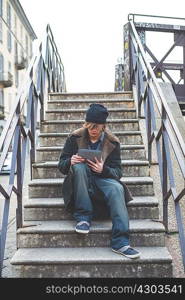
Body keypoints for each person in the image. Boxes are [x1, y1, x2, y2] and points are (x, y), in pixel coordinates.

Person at [58, 103, 140, 259]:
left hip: (101, 180)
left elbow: (118, 172)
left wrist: (103, 170)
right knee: (80, 167)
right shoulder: (74, 137)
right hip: (79, 182)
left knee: (117, 188)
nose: (93, 131)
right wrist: (70, 161)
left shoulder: (112, 142)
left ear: (104, 126)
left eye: (97, 127)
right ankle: (83, 218)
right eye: (90, 127)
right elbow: (61, 166)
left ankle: (121, 241)